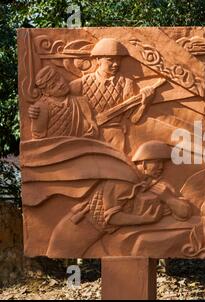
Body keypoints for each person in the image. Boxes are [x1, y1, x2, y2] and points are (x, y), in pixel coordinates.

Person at [45, 140, 192, 257]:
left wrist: (168, 198)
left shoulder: (158, 186)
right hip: (76, 230)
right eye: (157, 162)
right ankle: (73, 281)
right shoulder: (122, 181)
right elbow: (111, 217)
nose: (161, 167)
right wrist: (145, 219)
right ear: (143, 162)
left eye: (163, 163)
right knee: (63, 259)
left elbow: (185, 213)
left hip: (106, 237)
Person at [69, 38, 155, 152]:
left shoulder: (126, 83)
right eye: (110, 60)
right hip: (87, 135)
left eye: (118, 60)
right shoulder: (79, 84)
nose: (116, 64)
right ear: (98, 59)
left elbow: (133, 119)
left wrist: (145, 103)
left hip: (116, 136)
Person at [27, 66, 97, 139]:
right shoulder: (41, 107)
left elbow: (93, 130)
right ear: (46, 93)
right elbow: (37, 139)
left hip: (81, 147)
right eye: (53, 86)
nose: (60, 84)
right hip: (55, 149)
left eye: (59, 79)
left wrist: (86, 128)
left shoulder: (81, 102)